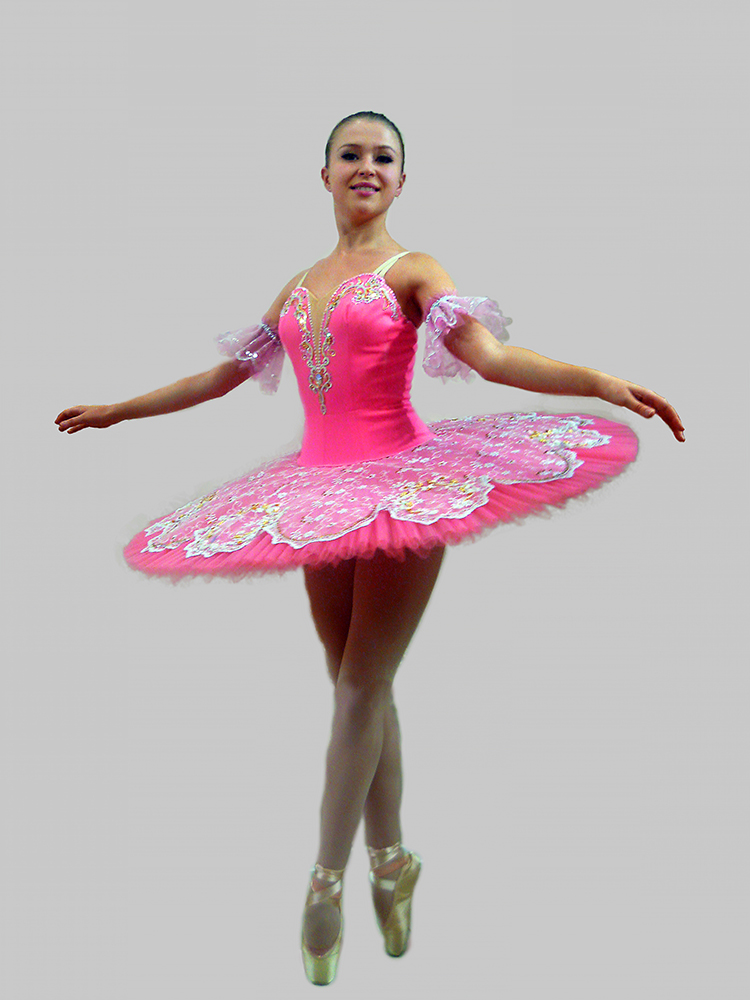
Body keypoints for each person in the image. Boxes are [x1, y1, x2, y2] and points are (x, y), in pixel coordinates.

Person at [55, 111, 685, 986]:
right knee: (355, 683)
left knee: (359, 686)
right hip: (316, 497)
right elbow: (221, 376)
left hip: (403, 486)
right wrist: (119, 410)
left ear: (401, 179)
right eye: (350, 154)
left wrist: (599, 381)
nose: (367, 166)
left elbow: (492, 357)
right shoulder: (299, 284)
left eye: (383, 156)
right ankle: (393, 861)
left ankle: (325, 883)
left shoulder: (414, 269)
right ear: (323, 175)